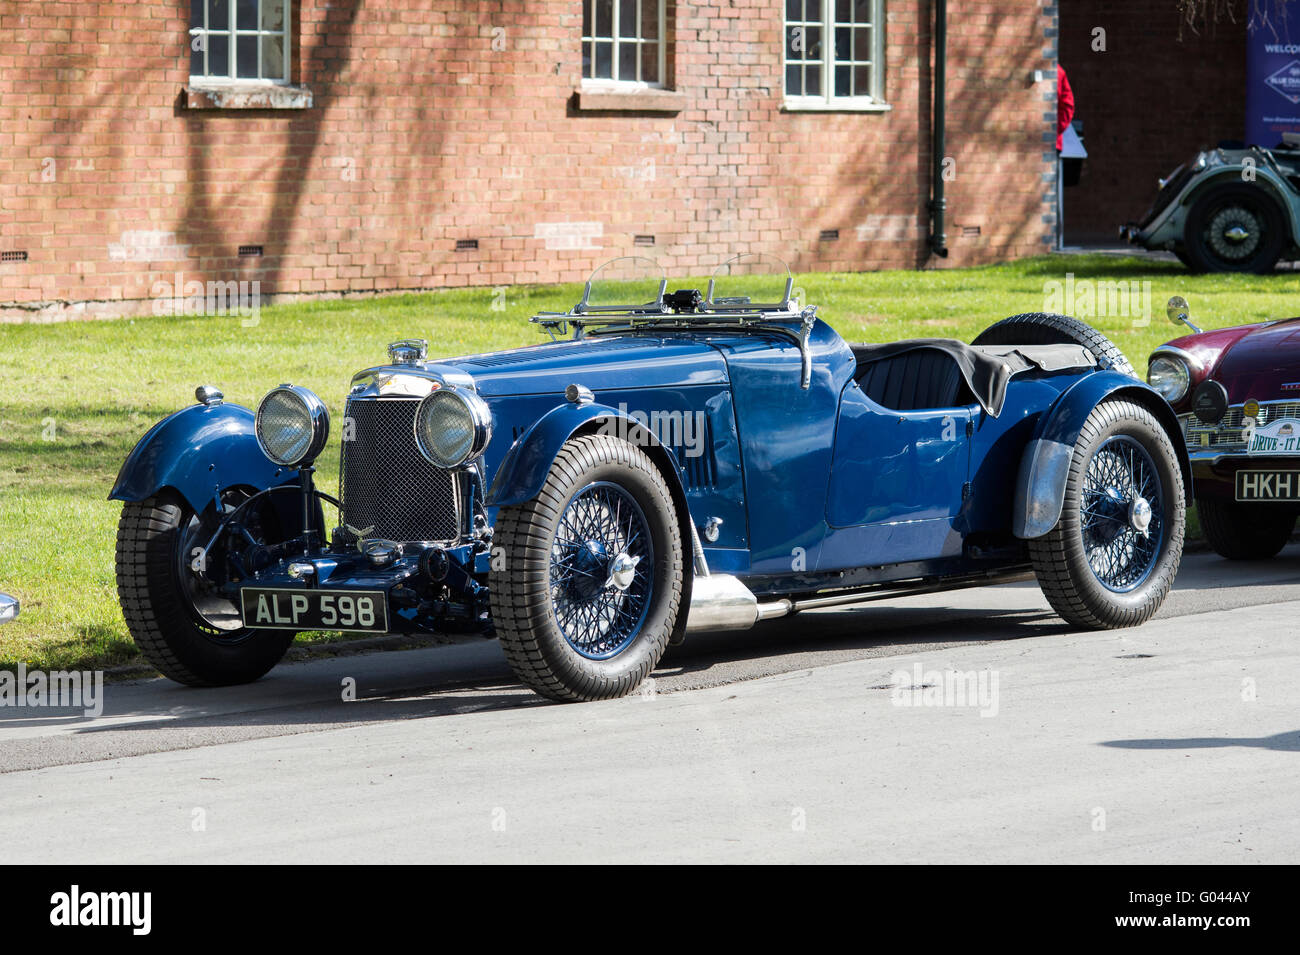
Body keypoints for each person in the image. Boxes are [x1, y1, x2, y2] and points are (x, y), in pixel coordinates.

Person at [1057, 64, 1075, 152]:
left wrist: (1055, 129)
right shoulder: (1058, 71)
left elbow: (1067, 105)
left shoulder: (1057, 72)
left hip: (1053, 141)